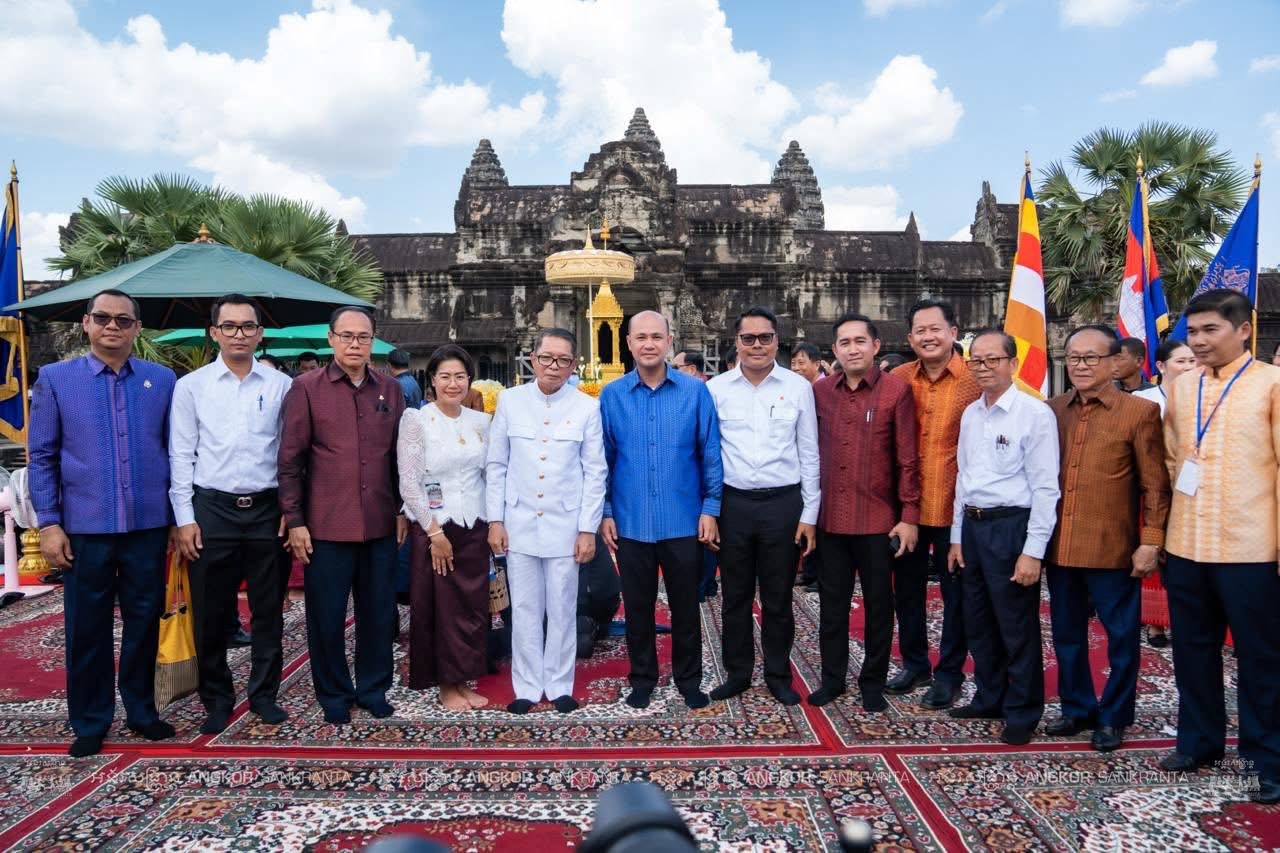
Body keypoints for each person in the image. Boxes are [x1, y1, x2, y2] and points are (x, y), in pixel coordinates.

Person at [29, 289, 178, 757]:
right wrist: (48, 523)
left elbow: (175, 452)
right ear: (87, 323)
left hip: (147, 525)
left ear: (137, 327)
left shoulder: (161, 380)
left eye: (123, 319)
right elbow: (42, 456)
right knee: (87, 627)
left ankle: (141, 710)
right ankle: (91, 720)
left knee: (144, 622)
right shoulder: (56, 379)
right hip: (84, 528)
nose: (112, 326)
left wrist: (177, 519)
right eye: (103, 317)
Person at [1160, 290, 1280, 804]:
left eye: (1211, 330)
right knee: (1191, 651)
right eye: (1193, 331)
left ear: (1244, 329)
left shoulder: (1272, 384)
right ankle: (1199, 743)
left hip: (1251, 549)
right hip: (1187, 543)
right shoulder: (1183, 386)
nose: (1199, 341)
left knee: (1260, 659)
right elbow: (1172, 457)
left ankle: (1265, 759)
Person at [169, 294, 293, 734]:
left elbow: (291, 453)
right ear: (214, 332)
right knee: (210, 612)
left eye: (247, 326)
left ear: (260, 333)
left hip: (267, 509)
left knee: (268, 611)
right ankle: (217, 698)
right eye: (230, 326)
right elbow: (181, 454)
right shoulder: (191, 387)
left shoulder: (281, 385)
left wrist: (291, 508)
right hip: (212, 510)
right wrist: (184, 517)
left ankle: (264, 695)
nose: (239, 334)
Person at [278, 306, 407, 725]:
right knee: (327, 617)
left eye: (363, 337)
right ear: (331, 339)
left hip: (379, 521)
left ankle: (373, 688)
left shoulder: (390, 389)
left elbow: (399, 458)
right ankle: (333, 692)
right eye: (347, 336)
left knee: (379, 613)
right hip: (326, 525)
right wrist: (295, 520)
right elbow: (290, 460)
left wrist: (402, 509)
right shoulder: (306, 388)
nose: (355, 344)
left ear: (373, 342)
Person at [1044, 324, 1170, 753]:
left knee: (1120, 638)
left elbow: (1155, 485)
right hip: (1060, 545)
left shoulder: (1139, 412)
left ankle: (1114, 716)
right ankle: (1077, 708)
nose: (1080, 365)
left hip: (1113, 548)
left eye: (1091, 357)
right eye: (1073, 357)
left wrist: (1150, 540)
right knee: (1066, 635)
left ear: (1114, 362)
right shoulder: (1052, 410)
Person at [600, 310, 722, 710]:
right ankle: (642, 678)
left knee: (686, 606)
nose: (649, 344)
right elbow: (604, 458)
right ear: (629, 343)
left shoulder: (695, 392)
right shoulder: (612, 395)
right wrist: (606, 510)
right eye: (641, 337)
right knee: (638, 607)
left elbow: (710, 452)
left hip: (683, 519)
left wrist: (711, 507)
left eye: (656, 336)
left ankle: (689, 679)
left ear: (669, 341)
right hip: (631, 520)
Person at [946, 329, 1059, 746]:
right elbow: (963, 478)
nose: (983, 367)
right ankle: (989, 697)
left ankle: (1023, 710)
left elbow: (1046, 488)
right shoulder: (971, 414)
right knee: (978, 621)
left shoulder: (1034, 414)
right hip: (973, 528)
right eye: (976, 360)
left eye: (992, 359)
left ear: (1013, 363)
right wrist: (957, 537)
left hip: (1012, 527)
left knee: (1016, 625)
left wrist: (1033, 552)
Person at [486, 328, 606, 714]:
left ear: (573, 365)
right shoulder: (511, 401)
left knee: (562, 606)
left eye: (563, 360)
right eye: (546, 358)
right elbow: (497, 464)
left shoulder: (586, 408)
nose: (554, 366)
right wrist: (495, 520)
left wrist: (587, 528)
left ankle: (558, 683)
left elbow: (595, 472)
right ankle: (525, 685)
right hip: (519, 521)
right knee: (523, 608)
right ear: (533, 359)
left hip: (565, 524)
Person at [707, 307, 819, 706]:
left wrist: (809, 514)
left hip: (782, 505)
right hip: (733, 504)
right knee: (734, 596)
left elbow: (809, 453)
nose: (757, 345)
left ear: (777, 341)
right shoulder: (716, 389)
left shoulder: (798, 388)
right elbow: (708, 454)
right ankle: (737, 673)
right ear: (736, 342)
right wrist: (710, 511)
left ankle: (777, 674)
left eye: (765, 338)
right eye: (748, 338)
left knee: (778, 597)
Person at [809, 313, 920, 713]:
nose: (852, 349)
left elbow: (908, 459)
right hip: (831, 520)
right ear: (834, 350)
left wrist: (909, 515)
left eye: (860, 341)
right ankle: (832, 680)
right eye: (844, 342)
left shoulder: (896, 391)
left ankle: (872, 682)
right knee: (832, 606)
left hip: (877, 520)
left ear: (875, 346)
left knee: (878, 607)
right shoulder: (820, 392)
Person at [889, 298, 980, 710]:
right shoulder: (897, 378)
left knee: (955, 595)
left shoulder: (975, 380)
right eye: (920, 331)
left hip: (955, 509)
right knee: (907, 592)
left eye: (935, 329)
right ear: (910, 339)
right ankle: (914, 664)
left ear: (953, 333)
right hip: (906, 509)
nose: (928, 337)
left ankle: (949, 673)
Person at [399, 344, 491, 711]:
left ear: (470, 380)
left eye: (460, 376)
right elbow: (409, 483)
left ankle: (464, 678)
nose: (453, 384)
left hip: (474, 524)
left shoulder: (481, 422)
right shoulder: (417, 420)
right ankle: (444, 684)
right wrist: (434, 533)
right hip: (435, 526)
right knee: (439, 607)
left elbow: (490, 475)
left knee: (471, 607)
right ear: (433, 381)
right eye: (445, 377)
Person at [1134, 338, 1196, 648]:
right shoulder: (1143, 400)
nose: (1188, 366)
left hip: (1191, 490)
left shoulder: (1204, 396)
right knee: (1154, 552)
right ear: (1160, 366)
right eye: (1181, 361)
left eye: (1192, 361)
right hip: (1153, 488)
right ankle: (1155, 623)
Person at [673, 349, 719, 601]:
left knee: (705, 535)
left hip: (702, 479)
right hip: (690, 481)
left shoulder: (704, 392)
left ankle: (703, 583)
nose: (671, 372)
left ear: (691, 370)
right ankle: (705, 583)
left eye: (676, 367)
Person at [790, 341, 826, 591]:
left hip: (821, 464)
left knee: (818, 521)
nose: (796, 367)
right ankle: (809, 571)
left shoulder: (823, 389)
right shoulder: (797, 389)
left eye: (801, 362)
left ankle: (815, 574)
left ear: (817, 364)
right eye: (793, 363)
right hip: (803, 466)